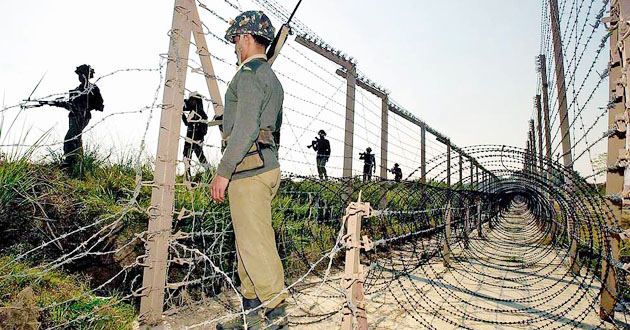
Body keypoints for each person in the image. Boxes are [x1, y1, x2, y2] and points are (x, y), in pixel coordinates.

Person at [210, 10, 288, 330]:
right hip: (262, 164)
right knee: (248, 245)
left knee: (255, 245)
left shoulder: (249, 74)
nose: (234, 47)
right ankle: (250, 318)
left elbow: (245, 127)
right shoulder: (269, 76)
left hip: (248, 169)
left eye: (235, 41)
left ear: (244, 38)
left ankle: (275, 316)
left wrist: (223, 170)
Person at [50, 64, 104, 169]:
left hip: (83, 116)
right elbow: (71, 104)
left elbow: (99, 103)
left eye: (81, 74)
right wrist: (59, 103)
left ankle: (70, 161)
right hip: (74, 116)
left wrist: (87, 103)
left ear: (85, 75)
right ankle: (77, 161)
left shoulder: (92, 88)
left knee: (71, 137)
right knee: (76, 137)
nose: (79, 77)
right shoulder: (77, 89)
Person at [182, 91, 208, 176]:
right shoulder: (192, 113)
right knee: (186, 157)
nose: (190, 102)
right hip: (189, 138)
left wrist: (199, 138)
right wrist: (182, 113)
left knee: (201, 157)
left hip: (197, 139)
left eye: (192, 100)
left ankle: (209, 172)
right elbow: (186, 123)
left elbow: (204, 130)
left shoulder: (202, 114)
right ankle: (187, 175)